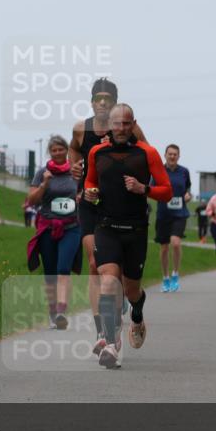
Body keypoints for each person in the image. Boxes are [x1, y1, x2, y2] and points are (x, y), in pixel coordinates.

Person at [83, 103, 171, 368]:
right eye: (116, 123)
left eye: (126, 123)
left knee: (131, 290)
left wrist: (144, 188)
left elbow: (166, 191)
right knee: (108, 281)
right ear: (109, 125)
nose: (121, 128)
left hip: (135, 230)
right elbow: (90, 181)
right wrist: (90, 192)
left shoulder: (147, 153)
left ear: (133, 124)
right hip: (106, 226)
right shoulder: (97, 152)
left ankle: (138, 313)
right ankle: (111, 342)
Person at [68, 78, 147, 339]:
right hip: (91, 204)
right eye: (97, 98)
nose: (102, 102)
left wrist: (141, 186)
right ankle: (102, 330)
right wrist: (75, 167)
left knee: (119, 275)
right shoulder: (81, 129)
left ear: (114, 101)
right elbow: (73, 151)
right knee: (94, 263)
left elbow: (147, 158)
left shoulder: (129, 129)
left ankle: (122, 298)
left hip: (122, 206)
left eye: (107, 98)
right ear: (91, 102)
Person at [26, 135, 83, 329]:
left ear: (67, 151)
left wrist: (81, 197)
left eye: (61, 149)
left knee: (63, 269)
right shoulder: (42, 172)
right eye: (54, 150)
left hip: (71, 227)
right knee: (50, 273)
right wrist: (44, 184)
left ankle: (61, 311)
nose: (58, 153)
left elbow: (87, 192)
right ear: (50, 153)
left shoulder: (75, 172)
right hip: (48, 227)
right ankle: (52, 313)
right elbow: (31, 200)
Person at [155, 144, 192, 293]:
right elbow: (152, 189)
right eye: (169, 154)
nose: (172, 156)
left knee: (175, 243)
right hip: (163, 214)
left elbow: (187, 187)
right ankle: (165, 277)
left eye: (175, 154)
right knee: (164, 248)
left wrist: (188, 195)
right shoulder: (158, 171)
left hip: (179, 214)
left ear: (178, 156)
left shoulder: (184, 172)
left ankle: (175, 274)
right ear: (165, 155)